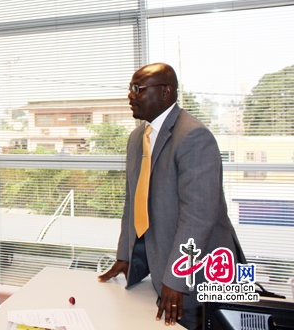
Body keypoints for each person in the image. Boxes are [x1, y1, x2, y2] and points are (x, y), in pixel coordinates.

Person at [98, 63, 246, 330]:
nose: (130, 96)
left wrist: (177, 279)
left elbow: (198, 217)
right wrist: (125, 255)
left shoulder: (193, 136)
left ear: (166, 92)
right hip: (159, 265)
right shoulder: (137, 138)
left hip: (199, 274)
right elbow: (134, 201)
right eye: (130, 89)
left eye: (138, 89)